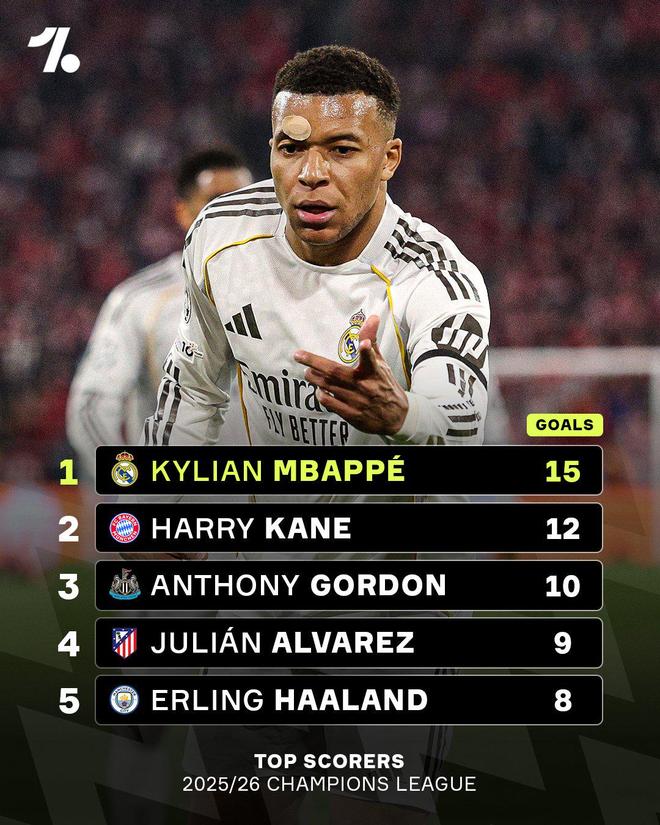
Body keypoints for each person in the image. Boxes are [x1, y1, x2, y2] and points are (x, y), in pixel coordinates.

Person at [145, 47, 490, 825]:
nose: (310, 173)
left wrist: (399, 416)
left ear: (389, 158)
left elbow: (459, 422)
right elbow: (195, 380)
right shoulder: (222, 237)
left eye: (341, 149)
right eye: (291, 147)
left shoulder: (437, 280)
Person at [66, 148, 253, 478]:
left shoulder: (294, 288)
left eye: (242, 200)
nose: (231, 213)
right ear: (183, 212)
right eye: (215, 201)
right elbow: (92, 406)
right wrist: (125, 481)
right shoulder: (138, 301)